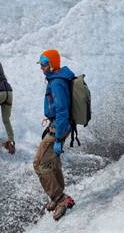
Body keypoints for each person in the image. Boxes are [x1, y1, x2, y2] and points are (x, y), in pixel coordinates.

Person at [33, 49, 75, 220]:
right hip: (61, 125)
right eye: (40, 64)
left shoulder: (57, 82)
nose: (41, 67)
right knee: (52, 161)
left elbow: (62, 109)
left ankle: (60, 198)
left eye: (44, 64)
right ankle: (59, 194)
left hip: (58, 127)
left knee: (39, 164)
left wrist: (58, 138)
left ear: (51, 64)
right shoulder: (58, 78)